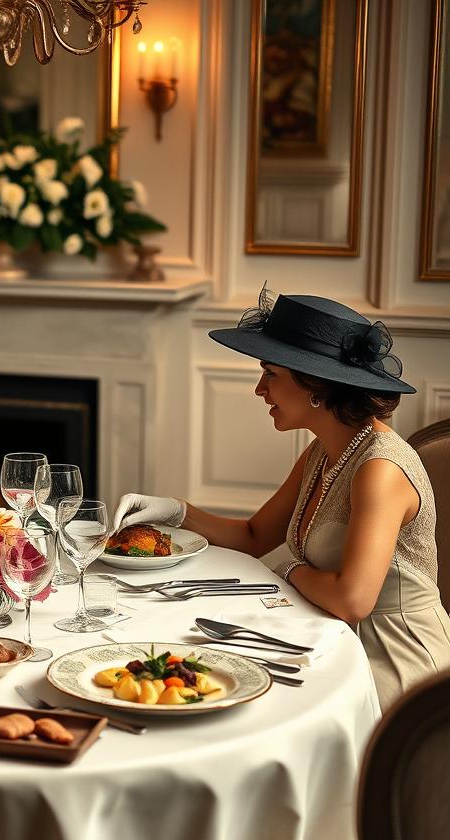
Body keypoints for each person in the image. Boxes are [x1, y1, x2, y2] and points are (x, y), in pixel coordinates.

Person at [113, 285, 450, 712]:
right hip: (329, 637)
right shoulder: (323, 452)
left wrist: (288, 567)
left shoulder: (379, 469)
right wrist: (176, 511)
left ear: (316, 387)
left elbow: (353, 600)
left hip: (395, 665)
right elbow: (255, 535)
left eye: (270, 374)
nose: (259, 389)